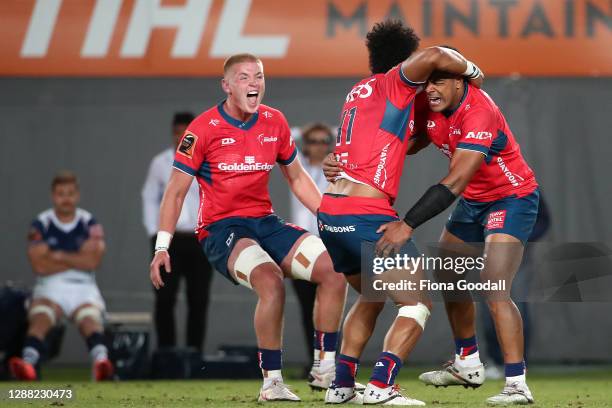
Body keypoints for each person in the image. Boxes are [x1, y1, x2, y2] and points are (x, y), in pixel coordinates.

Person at [326, 67, 539, 405]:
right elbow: (402, 145)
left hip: (511, 198)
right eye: (426, 83)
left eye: (438, 81)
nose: (430, 89)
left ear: (460, 82)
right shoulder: (429, 104)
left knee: (494, 285)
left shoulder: (479, 112)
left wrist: (407, 224)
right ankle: (467, 363)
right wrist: (344, 162)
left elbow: (454, 181)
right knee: (448, 275)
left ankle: (516, 383)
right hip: (473, 200)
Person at [148, 53, 348, 402]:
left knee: (334, 269)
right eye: (243, 77)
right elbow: (175, 192)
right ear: (226, 86)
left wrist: (329, 217)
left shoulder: (275, 121)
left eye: (258, 76)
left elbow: (298, 178)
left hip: (264, 222)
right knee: (270, 280)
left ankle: (326, 368)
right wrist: (161, 247)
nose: (253, 83)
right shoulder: (203, 128)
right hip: (220, 230)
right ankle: (272, 382)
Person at [317, 21, 483, 405]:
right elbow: (440, 55)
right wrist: (473, 72)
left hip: (331, 211)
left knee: (371, 297)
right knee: (416, 304)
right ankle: (380, 387)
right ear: (407, 61)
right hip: (365, 213)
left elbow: (399, 144)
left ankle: (341, 387)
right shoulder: (396, 81)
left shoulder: (358, 93)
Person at [9, 171, 113, 381]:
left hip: (83, 285)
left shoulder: (89, 222)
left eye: (70, 193)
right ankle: (28, 364)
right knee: (41, 317)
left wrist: (56, 255)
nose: (66, 198)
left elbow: (93, 262)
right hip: (50, 286)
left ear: (77, 195)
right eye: (60, 193)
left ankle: (101, 362)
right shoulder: (41, 223)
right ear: (52, 195)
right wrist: (78, 257)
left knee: (89, 319)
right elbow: (39, 265)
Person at [142, 112, 213, 353]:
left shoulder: (207, 161)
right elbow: (149, 197)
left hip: (199, 238)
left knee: (199, 299)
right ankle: (166, 352)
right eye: (177, 134)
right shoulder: (160, 163)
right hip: (169, 240)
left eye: (186, 135)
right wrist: (156, 232)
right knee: (164, 298)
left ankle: (194, 353)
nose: (181, 139)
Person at [289, 123, 334, 381]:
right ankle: (313, 362)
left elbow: (347, 136)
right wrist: (308, 131)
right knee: (308, 309)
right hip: (301, 246)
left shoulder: (336, 169)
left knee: (329, 307)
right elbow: (286, 135)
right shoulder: (297, 168)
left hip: (328, 246)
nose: (318, 146)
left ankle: (329, 362)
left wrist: (332, 133)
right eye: (312, 141)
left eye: (323, 141)